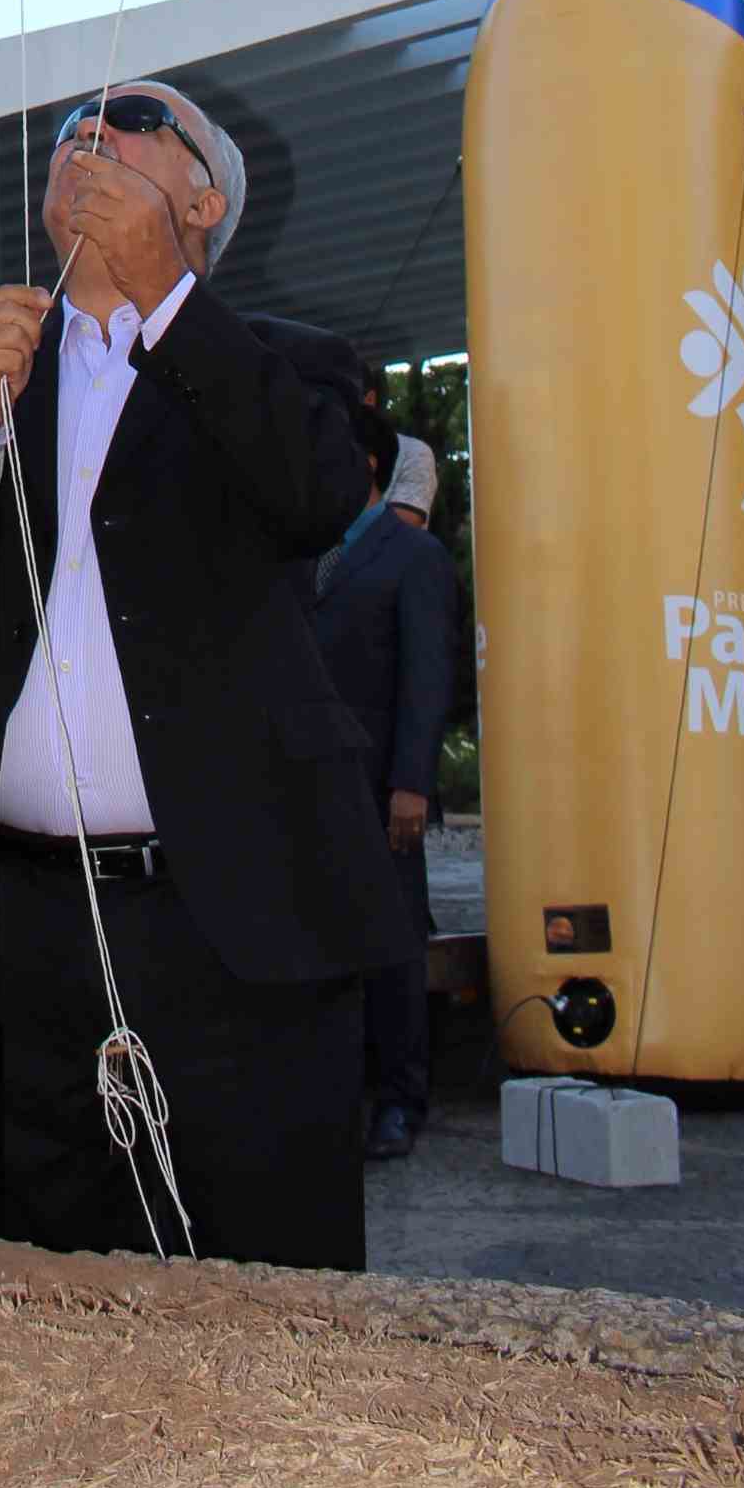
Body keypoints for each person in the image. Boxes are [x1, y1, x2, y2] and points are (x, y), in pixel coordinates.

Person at [0, 82, 413, 1275]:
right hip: (15, 926)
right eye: (75, 125)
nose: (92, 128)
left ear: (203, 201)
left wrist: (167, 302)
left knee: (261, 1275)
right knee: (27, 1271)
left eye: (139, 117)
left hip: (233, 920)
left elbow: (314, 495)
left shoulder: (287, 362)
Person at [310, 392, 461, 1163]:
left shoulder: (413, 556)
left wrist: (411, 783)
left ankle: (400, 1100)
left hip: (379, 788)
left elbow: (427, 678)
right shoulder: (298, 549)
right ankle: (330, 1097)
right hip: (305, 786)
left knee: (394, 943)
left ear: (366, 463)